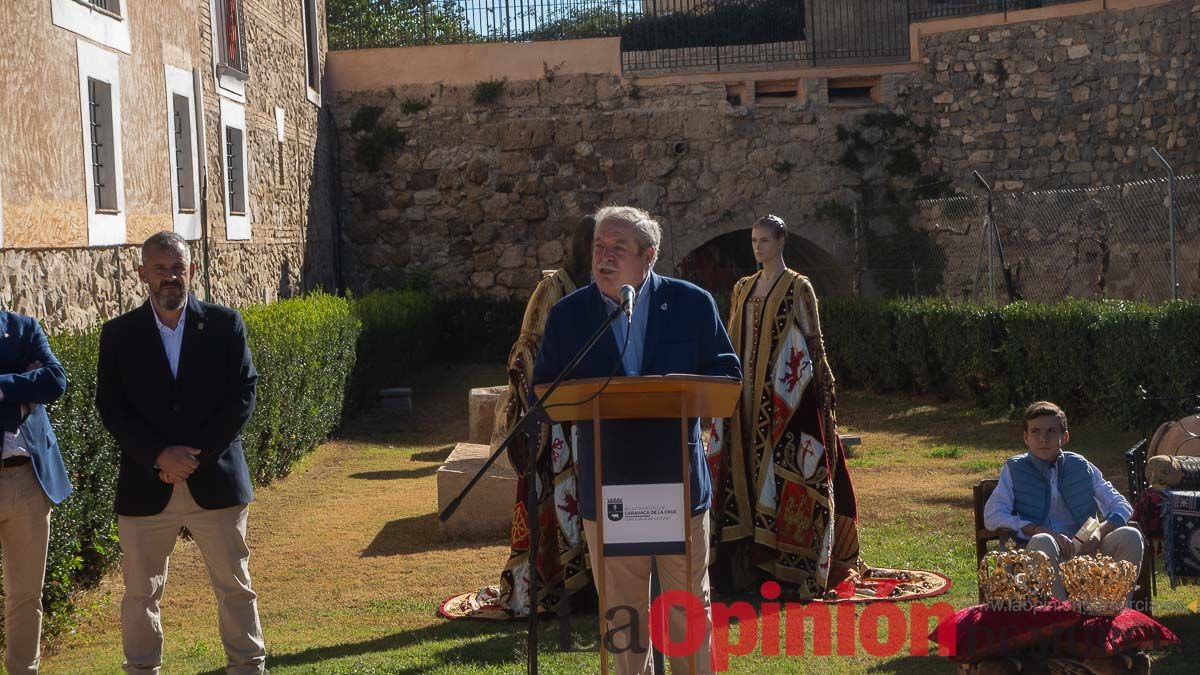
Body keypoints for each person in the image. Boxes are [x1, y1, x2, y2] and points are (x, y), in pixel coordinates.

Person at [533, 205, 741, 674]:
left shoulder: (691, 304)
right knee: (622, 619)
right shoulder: (570, 315)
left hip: (678, 486)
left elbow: (727, 375)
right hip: (610, 488)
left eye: (618, 249)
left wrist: (678, 388)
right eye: (599, 247)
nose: (603, 258)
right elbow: (545, 390)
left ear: (648, 257)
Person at [95, 231, 265, 675]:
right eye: (160, 268)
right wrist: (158, 456)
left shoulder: (226, 325)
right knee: (140, 593)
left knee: (235, 587)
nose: (170, 277)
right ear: (142, 274)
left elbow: (243, 395)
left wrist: (195, 457)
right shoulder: (118, 335)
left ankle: (248, 667)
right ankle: (142, 669)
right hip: (145, 485)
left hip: (216, 481)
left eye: (178, 267)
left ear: (191, 270)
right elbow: (110, 406)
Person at [442, 216, 596, 620]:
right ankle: (552, 584)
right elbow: (524, 353)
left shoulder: (598, 290)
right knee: (553, 502)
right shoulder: (551, 289)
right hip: (551, 421)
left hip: (589, 418)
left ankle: (588, 586)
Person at [708, 214, 862, 598]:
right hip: (742, 402)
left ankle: (785, 562)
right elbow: (730, 339)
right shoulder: (742, 287)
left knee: (781, 474)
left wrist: (823, 397)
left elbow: (814, 342)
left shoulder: (798, 286)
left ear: (781, 241)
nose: (757, 246)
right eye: (754, 240)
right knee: (740, 474)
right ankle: (743, 561)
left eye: (764, 240)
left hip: (783, 405)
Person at [984, 400, 1144, 600]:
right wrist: (1036, 529)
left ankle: (1116, 614)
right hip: (1035, 551)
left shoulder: (1080, 465)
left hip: (1083, 550)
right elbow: (992, 515)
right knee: (1045, 541)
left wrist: (1098, 533)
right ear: (1026, 437)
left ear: (1064, 436)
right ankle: (1060, 620)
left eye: (1051, 431)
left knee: (1130, 535)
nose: (1043, 438)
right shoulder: (1014, 469)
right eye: (1035, 431)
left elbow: (1121, 505)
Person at [0, 310, 69, 674]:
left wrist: (3, 386)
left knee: (26, 595)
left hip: (29, 480)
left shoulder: (23, 327)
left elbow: (55, 380)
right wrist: (24, 384)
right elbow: (37, 384)